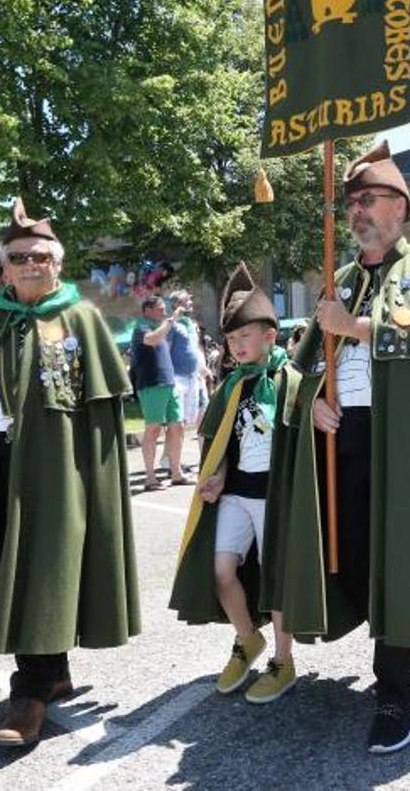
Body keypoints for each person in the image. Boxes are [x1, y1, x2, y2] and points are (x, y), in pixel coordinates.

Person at [270, 141, 410, 754]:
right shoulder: (340, 278)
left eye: (367, 199)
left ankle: (396, 688)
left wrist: (355, 327)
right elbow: (296, 365)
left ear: (400, 207)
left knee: (400, 559)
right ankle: (374, 659)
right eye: (350, 203)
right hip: (342, 438)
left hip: (403, 441)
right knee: (361, 556)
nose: (356, 211)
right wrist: (311, 399)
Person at [0, 198, 140, 747]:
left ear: (57, 263)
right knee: (9, 562)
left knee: (46, 563)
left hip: (57, 469)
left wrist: (94, 487)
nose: (30, 264)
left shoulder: (80, 318)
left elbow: (101, 417)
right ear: (7, 264)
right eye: (19, 256)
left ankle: (29, 693)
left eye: (40, 256)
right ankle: (54, 670)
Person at [170, 264, 300, 704]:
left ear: (270, 336)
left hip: (274, 499)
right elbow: (224, 441)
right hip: (238, 495)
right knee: (222, 571)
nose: (236, 346)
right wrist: (219, 474)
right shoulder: (231, 386)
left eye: (245, 336)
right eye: (230, 339)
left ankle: (284, 661)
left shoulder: (290, 382)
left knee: (278, 580)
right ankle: (248, 639)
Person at [131, 294, 188, 490]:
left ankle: (176, 473)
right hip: (152, 383)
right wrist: (172, 320)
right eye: (161, 309)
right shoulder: (141, 326)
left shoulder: (158, 326)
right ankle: (150, 477)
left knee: (177, 426)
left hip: (168, 382)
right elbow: (152, 340)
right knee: (153, 428)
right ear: (148, 310)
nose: (164, 313)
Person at [169, 290, 208, 437]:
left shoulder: (191, 324)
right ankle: (174, 459)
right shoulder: (171, 324)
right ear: (177, 304)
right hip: (179, 378)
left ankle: (204, 458)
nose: (190, 303)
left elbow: (196, 347)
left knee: (203, 414)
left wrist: (203, 367)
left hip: (197, 377)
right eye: (187, 300)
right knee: (179, 422)